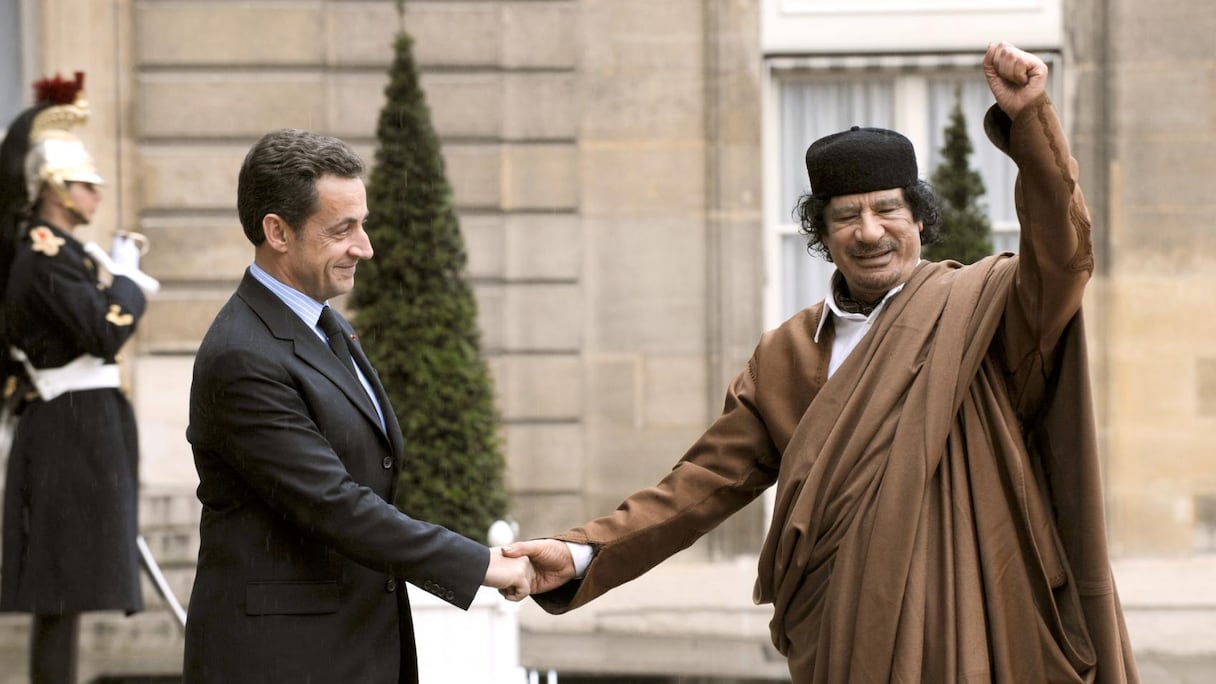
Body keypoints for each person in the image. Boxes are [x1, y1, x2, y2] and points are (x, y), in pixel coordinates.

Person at [506, 42, 1140, 682]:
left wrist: (1033, 122)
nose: (869, 231)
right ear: (822, 233)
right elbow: (701, 485)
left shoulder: (989, 312)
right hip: (844, 640)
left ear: (918, 217)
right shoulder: (785, 355)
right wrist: (583, 552)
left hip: (976, 626)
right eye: (846, 216)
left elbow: (1064, 258)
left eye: (888, 208)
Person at [183, 127, 533, 684]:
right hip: (281, 660)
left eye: (362, 224)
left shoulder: (327, 325)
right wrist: (481, 564)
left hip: (350, 646)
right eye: (342, 229)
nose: (365, 246)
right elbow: (334, 504)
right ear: (277, 231)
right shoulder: (241, 356)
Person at [0, 72, 152, 684]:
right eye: (88, 185)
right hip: (66, 428)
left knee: (75, 583)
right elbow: (104, 331)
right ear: (60, 189)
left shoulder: (66, 254)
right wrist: (130, 283)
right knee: (60, 586)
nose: (96, 196)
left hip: (86, 425)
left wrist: (114, 275)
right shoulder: (42, 255)